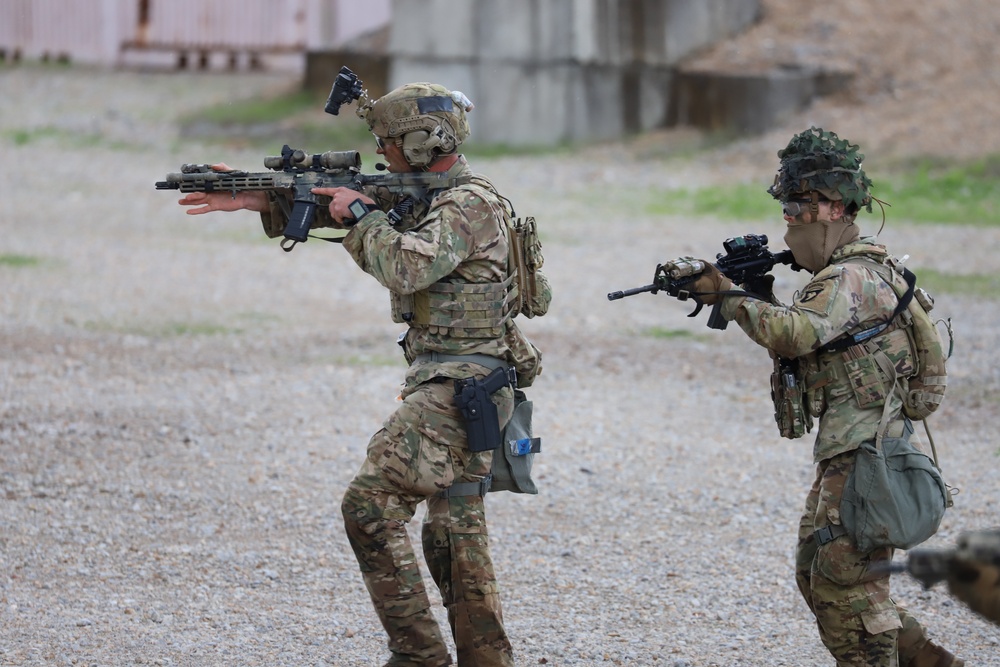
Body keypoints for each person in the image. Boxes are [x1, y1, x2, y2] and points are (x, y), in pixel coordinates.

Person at [177, 81, 551, 667]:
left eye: (389, 142)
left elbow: (406, 265)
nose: (381, 154)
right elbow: (381, 209)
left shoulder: (466, 204)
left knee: (370, 509)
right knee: (455, 539)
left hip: (460, 388)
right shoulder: (441, 195)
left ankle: (418, 656)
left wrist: (358, 217)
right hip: (474, 385)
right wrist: (264, 197)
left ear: (427, 142)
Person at [682, 128, 963, 666]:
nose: (789, 217)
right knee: (819, 576)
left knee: (845, 589)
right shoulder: (846, 273)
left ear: (834, 207)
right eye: (785, 204)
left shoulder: (850, 277)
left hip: (868, 452)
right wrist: (749, 292)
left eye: (799, 205)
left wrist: (727, 295)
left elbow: (795, 334)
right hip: (851, 449)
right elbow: (803, 341)